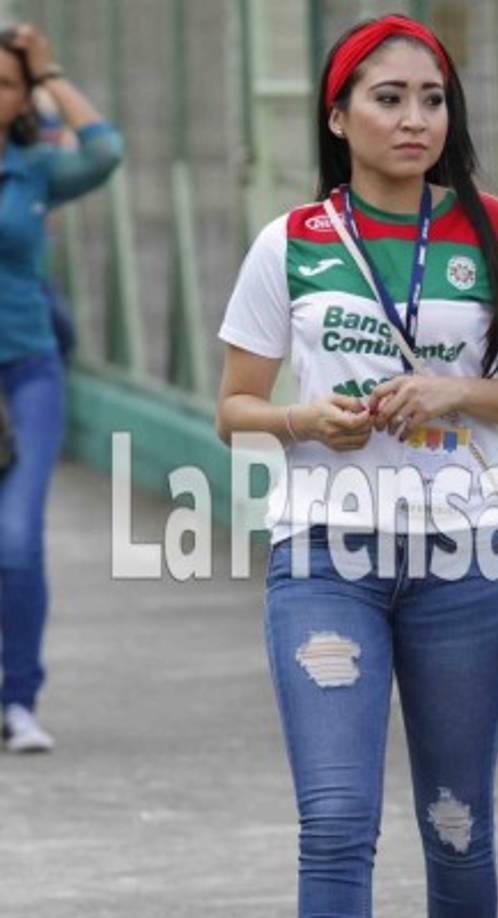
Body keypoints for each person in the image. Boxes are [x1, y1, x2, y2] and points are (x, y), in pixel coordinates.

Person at [216, 14, 498, 917]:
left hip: (466, 563)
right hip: (326, 562)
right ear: (338, 119)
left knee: (457, 824)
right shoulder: (291, 239)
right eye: (388, 99)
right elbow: (234, 411)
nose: (416, 118)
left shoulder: (497, 232)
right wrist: (303, 419)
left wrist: (458, 393)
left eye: (433, 99)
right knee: (335, 822)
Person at [0, 22, 123, 752]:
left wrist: (49, 73)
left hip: (28, 371)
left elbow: (106, 150)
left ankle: (19, 700)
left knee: (16, 539)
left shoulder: (35, 169)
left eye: (7, 83)